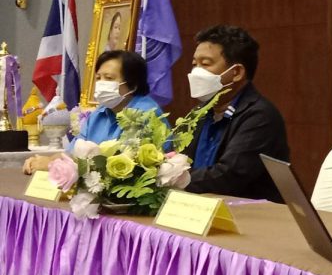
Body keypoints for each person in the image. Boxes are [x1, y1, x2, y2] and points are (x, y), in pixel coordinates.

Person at [182, 25, 289, 202]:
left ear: (236, 72)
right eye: (194, 64)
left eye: (205, 64)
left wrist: (179, 179)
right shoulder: (198, 113)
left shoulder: (260, 116)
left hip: (247, 214)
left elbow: (229, 176)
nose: (196, 72)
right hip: (197, 208)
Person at [23, 50, 163, 174]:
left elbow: (121, 168)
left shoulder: (146, 114)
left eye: (109, 78)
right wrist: (46, 160)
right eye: (98, 78)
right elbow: (73, 153)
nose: (101, 83)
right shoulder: (99, 114)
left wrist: (51, 165)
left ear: (133, 85)